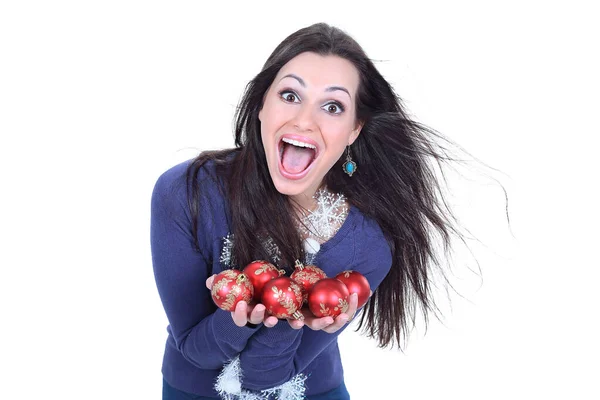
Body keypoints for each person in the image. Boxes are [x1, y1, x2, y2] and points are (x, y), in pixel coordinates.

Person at [151, 22, 480, 399]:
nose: (305, 120)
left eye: (332, 106)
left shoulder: (368, 244)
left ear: (354, 129)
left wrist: (286, 320)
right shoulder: (186, 193)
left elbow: (265, 377)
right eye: (290, 95)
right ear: (262, 105)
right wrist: (234, 321)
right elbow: (195, 349)